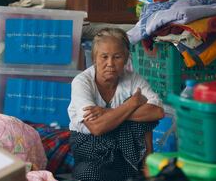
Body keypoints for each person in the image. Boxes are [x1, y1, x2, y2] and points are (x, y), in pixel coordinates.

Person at [67, 28, 165, 181]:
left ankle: (146, 163)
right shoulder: (82, 82)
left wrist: (106, 113)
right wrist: (131, 104)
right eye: (104, 57)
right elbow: (97, 127)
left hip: (124, 147)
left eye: (117, 57)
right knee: (87, 173)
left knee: (145, 120)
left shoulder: (133, 79)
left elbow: (157, 112)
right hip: (91, 146)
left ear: (126, 59)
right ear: (94, 58)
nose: (110, 64)